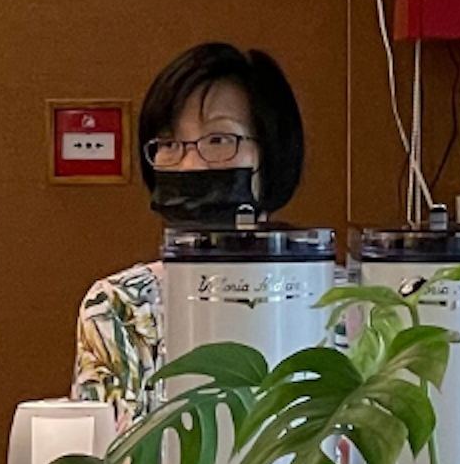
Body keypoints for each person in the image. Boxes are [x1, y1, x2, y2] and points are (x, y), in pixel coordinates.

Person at [71, 40, 310, 419]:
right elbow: (108, 463)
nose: (189, 164)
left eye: (218, 139)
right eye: (169, 144)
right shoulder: (118, 306)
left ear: (272, 153)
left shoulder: (335, 304)